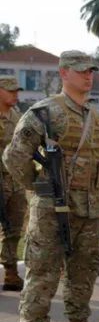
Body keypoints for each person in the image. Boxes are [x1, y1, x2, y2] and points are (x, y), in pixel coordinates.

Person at [3, 50, 99, 322]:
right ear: (64, 73)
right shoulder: (45, 112)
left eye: (91, 70)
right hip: (53, 208)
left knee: (85, 269)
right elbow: (14, 156)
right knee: (43, 270)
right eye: (81, 71)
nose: (88, 76)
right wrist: (39, 187)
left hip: (89, 207)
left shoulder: (95, 115)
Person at [0, 76, 26, 292]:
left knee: (13, 229)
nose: (15, 95)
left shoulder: (19, 118)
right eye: (10, 91)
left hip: (14, 180)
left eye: (17, 91)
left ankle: (10, 274)